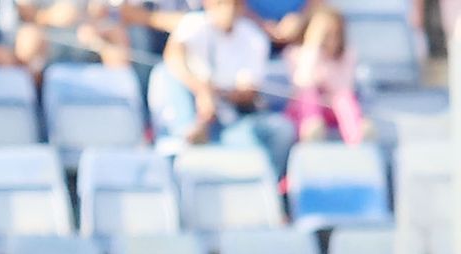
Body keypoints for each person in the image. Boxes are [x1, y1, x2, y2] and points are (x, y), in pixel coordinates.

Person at [154, 0, 296, 176]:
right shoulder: (194, 24)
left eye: (234, 4)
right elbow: (173, 57)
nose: (228, 10)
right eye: (221, 3)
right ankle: (185, 135)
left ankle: (266, 186)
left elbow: (247, 92)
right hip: (196, 111)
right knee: (164, 74)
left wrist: (214, 94)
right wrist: (201, 90)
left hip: (231, 120)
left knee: (281, 130)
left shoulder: (253, 37)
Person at [285, 6, 368, 144]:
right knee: (308, 94)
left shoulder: (347, 56)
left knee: (344, 98)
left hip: (334, 109)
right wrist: (313, 47)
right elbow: (302, 82)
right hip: (303, 111)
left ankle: (358, 136)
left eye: (334, 34)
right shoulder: (296, 54)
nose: (328, 40)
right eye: (324, 34)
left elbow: (345, 87)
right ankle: (312, 129)